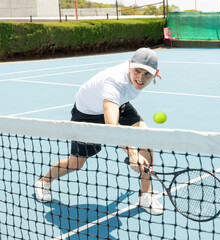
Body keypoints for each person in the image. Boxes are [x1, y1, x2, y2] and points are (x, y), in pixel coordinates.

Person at [34, 47, 164, 215]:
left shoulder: (142, 75)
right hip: (87, 114)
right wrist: (132, 153)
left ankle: (145, 195)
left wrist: (137, 151)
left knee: (145, 140)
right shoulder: (115, 82)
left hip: (116, 104)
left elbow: (116, 110)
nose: (140, 78)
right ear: (129, 65)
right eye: (137, 71)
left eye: (147, 73)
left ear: (155, 73)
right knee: (76, 164)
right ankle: (44, 182)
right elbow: (111, 126)